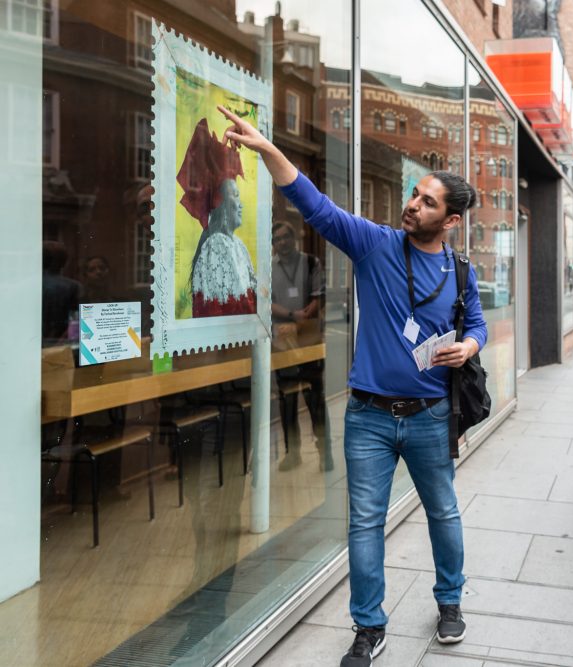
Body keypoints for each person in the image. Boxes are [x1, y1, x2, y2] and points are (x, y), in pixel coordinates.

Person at [217, 106, 486, 667]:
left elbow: (476, 323)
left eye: (428, 201)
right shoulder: (374, 244)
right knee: (365, 521)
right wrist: (268, 150)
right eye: (415, 194)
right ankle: (368, 627)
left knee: (443, 512)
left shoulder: (460, 271)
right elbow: (315, 204)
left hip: (432, 414)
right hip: (367, 416)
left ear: (452, 219)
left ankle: (450, 602)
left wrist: (472, 346)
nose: (413, 204)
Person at [177, 118, 257, 317]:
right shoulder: (217, 245)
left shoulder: (236, 245)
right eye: (235, 196)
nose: (240, 204)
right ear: (220, 204)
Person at [271, 220, 327, 471]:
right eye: (276, 239)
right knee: (287, 398)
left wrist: (305, 315)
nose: (281, 242)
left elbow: (319, 296)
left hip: (309, 338)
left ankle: (325, 452)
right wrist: (292, 315)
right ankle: (292, 453)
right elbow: (266, 300)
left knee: (314, 395)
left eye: (285, 237)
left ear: (294, 239)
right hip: (281, 339)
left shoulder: (311, 262)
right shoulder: (269, 267)